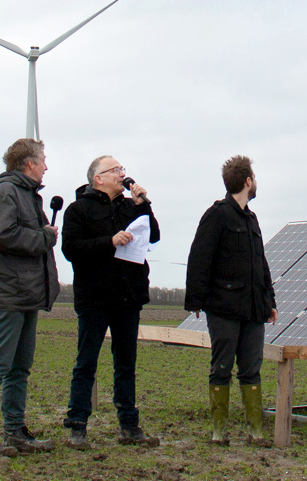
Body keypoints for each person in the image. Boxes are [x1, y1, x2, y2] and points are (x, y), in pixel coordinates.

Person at [60, 156, 162, 448]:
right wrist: (110, 241)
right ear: (98, 178)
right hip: (94, 297)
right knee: (86, 363)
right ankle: (77, 425)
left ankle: (129, 425)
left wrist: (145, 204)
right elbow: (71, 248)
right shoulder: (78, 209)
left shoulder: (131, 207)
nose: (122, 174)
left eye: (122, 169)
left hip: (128, 296)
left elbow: (153, 236)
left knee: (126, 364)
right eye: (115, 170)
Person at [0, 138, 61, 456]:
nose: (47, 166)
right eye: (43, 160)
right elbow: (2, 234)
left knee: (19, 368)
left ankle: (15, 430)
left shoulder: (27, 195)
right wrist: (44, 237)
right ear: (28, 163)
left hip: (25, 295)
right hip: (5, 294)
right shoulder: (6, 192)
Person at [184, 155, 276, 446]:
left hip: (253, 309)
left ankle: (256, 432)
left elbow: (261, 264)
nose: (256, 182)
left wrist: (269, 301)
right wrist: (195, 300)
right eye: (255, 177)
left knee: (251, 369)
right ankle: (218, 432)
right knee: (221, 368)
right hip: (223, 307)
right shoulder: (217, 214)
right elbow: (199, 258)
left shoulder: (251, 218)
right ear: (248, 181)